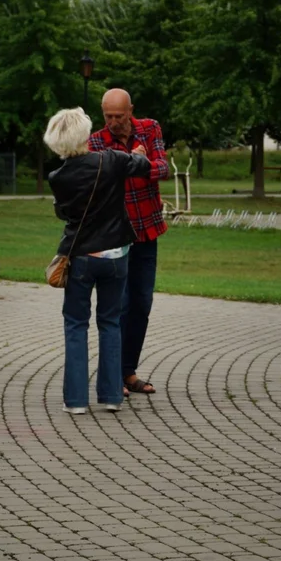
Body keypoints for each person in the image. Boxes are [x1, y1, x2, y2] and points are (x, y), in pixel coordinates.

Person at [47, 108, 152, 414]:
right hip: (116, 256)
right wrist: (138, 151)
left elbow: (64, 214)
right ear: (85, 133)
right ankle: (111, 397)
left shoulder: (57, 177)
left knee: (76, 326)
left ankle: (76, 401)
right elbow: (143, 165)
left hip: (80, 258)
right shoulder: (111, 160)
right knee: (110, 324)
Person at [87, 88, 169, 397]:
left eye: (119, 116)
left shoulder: (150, 128)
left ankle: (128, 371)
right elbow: (101, 179)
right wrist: (134, 163)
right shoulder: (96, 140)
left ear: (130, 110)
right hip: (116, 234)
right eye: (108, 116)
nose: (113, 122)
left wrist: (140, 165)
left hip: (146, 230)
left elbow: (162, 167)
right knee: (117, 306)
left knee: (141, 304)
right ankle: (113, 376)